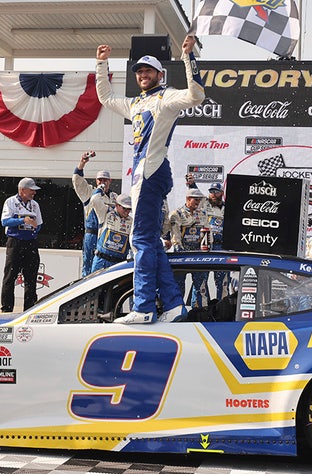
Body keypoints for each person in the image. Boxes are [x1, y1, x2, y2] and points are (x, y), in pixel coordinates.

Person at [96, 35, 204, 324]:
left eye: (148, 71)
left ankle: (143, 307)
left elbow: (197, 96)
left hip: (151, 171)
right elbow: (105, 98)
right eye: (140, 72)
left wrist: (187, 56)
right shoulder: (135, 102)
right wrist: (101, 63)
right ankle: (172, 304)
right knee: (152, 243)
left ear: (160, 74)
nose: (143, 75)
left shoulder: (166, 96)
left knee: (140, 239)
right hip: (146, 173)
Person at [0, 177, 43, 313]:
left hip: (31, 243)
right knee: (10, 277)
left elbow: (40, 224)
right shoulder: (10, 202)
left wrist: (35, 227)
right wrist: (22, 220)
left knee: (31, 278)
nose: (34, 193)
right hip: (15, 243)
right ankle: (6, 310)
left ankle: (29, 310)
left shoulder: (35, 205)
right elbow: (5, 221)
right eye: (31, 190)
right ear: (22, 190)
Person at [72, 151, 114, 277]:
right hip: (92, 234)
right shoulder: (89, 192)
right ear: (96, 181)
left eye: (105, 180)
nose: (103, 182)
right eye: (100, 179)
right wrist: (82, 163)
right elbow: (77, 181)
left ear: (110, 181)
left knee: (106, 268)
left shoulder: (114, 197)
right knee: (89, 266)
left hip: (107, 237)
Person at [170, 188, 210, 307]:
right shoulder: (177, 214)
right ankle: (176, 311)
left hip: (197, 255)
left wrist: (207, 248)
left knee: (201, 287)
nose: (198, 202)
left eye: (199, 200)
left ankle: (199, 312)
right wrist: (180, 253)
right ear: (188, 199)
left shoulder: (202, 214)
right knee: (178, 288)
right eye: (195, 200)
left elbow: (207, 233)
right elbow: (175, 238)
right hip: (182, 255)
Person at [90, 193, 133, 273]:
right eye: (124, 208)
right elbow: (94, 200)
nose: (127, 212)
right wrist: (101, 189)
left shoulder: (131, 222)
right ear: (117, 205)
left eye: (129, 209)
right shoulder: (106, 213)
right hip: (101, 260)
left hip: (118, 263)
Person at [201, 182, 228, 300]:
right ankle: (202, 310)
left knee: (222, 282)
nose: (213, 194)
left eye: (216, 192)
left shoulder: (228, 208)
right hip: (205, 246)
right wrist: (191, 184)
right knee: (201, 282)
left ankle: (222, 311)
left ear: (222, 193)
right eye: (211, 191)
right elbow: (194, 195)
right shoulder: (204, 204)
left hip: (221, 247)